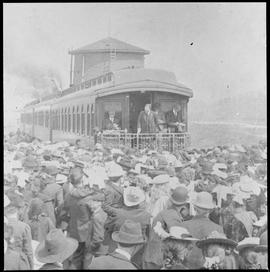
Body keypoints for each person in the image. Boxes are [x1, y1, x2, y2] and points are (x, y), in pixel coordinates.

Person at [143, 186, 190, 269]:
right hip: (160, 258)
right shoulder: (172, 216)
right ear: (184, 203)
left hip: (151, 255)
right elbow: (178, 240)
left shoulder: (165, 212)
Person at [103, 186, 151, 268]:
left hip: (118, 246)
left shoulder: (117, 213)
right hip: (137, 249)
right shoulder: (146, 215)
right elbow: (148, 234)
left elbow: (107, 227)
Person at [178, 191, 224, 269]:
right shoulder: (218, 229)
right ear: (211, 210)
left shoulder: (183, 225)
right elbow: (219, 258)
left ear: (195, 208)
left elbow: (177, 253)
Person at [4, 200, 34, 270]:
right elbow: (28, 251)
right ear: (17, 213)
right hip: (20, 262)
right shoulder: (24, 227)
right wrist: (31, 266)